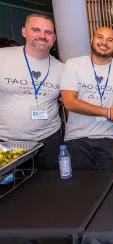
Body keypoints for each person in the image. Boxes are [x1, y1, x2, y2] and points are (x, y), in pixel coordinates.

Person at [60, 27, 113, 170]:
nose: (104, 42)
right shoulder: (74, 64)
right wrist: (107, 112)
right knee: (78, 188)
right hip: (76, 138)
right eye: (100, 37)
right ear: (92, 40)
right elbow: (69, 102)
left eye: (110, 40)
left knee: (111, 187)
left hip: (109, 138)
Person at [0, 13, 64, 170]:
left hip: (50, 141)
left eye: (48, 32)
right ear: (24, 32)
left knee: (53, 187)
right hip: (8, 143)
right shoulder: (3, 57)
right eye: (36, 29)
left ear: (54, 38)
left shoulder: (62, 68)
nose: (42, 36)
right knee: (12, 191)